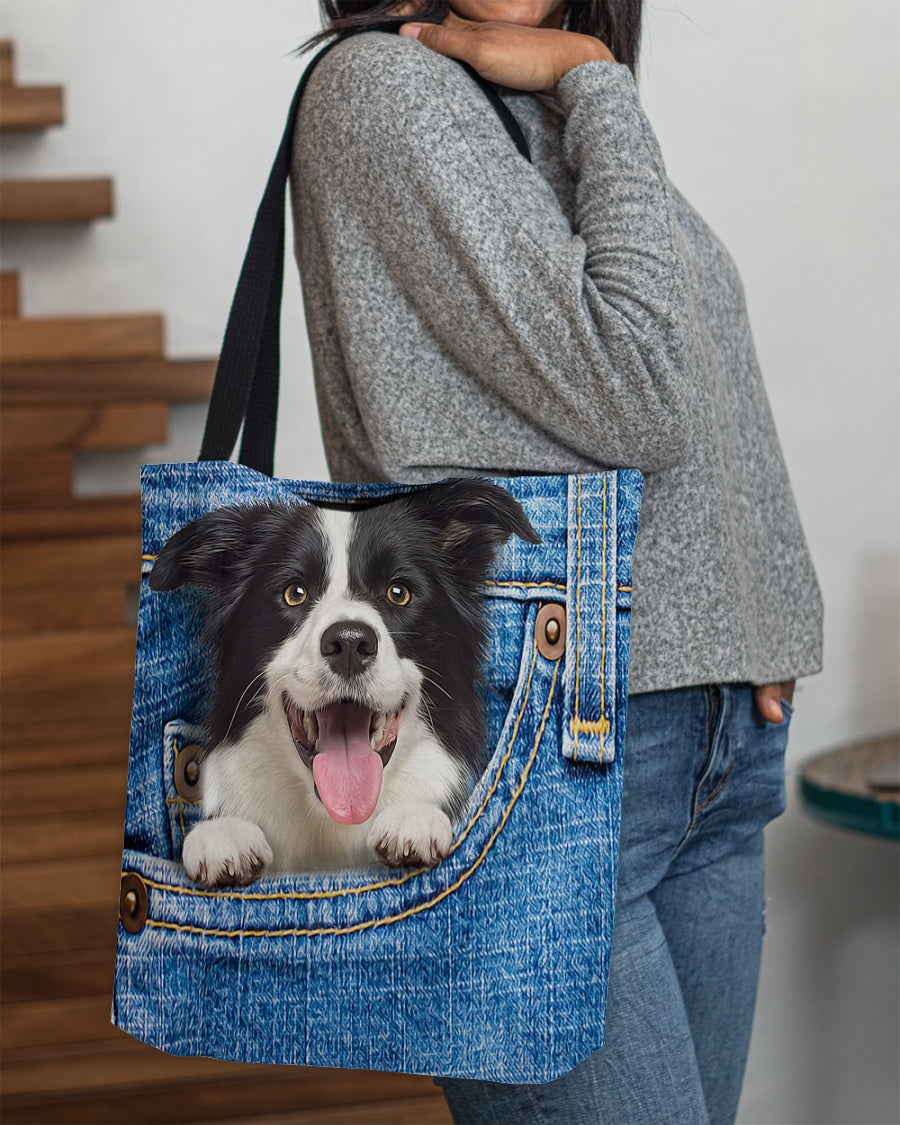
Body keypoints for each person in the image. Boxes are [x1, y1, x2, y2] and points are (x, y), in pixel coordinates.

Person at [289, 2, 824, 1122]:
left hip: (704, 746)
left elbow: (704, 366)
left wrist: (755, 624)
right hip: (545, 758)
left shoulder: (531, 96)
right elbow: (642, 391)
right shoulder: (388, 89)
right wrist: (598, 77)